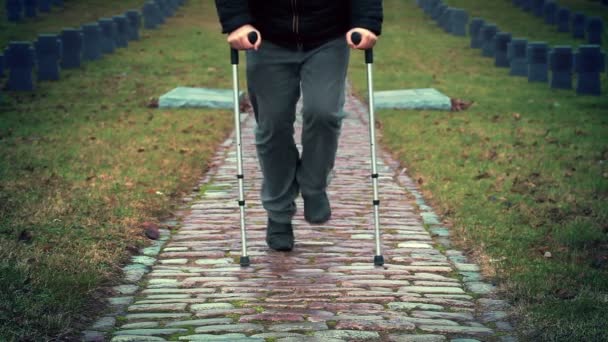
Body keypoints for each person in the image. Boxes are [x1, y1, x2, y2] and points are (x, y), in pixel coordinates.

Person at [215, 0, 383, 252]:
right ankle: (279, 214)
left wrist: (366, 22)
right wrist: (237, 23)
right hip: (266, 39)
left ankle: (313, 186)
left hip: (327, 38)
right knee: (272, 127)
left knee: (324, 112)